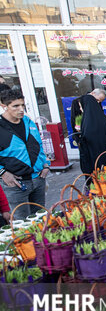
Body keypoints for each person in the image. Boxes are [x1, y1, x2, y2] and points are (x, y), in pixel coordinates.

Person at [0, 89, 50, 220]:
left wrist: (46, 165)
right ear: (4, 106)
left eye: (23, 105)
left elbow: (38, 145)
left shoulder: (29, 122)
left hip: (38, 179)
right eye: (16, 106)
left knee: (40, 220)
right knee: (22, 224)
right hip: (15, 184)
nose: (21, 109)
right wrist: (3, 173)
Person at [77, 94, 106, 175]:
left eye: (81, 106)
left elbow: (86, 141)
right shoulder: (104, 118)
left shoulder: (87, 122)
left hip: (94, 162)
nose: (80, 109)